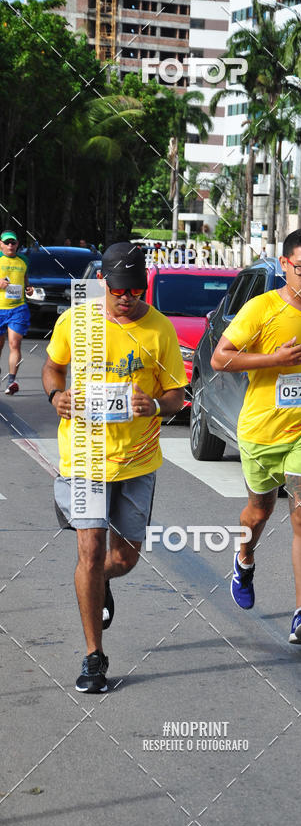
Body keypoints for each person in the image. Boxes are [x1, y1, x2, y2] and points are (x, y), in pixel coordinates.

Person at [42, 242, 187, 693]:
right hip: (84, 453)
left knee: (123, 557)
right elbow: (52, 367)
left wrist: (154, 405)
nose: (127, 298)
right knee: (88, 552)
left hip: (137, 459)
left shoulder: (159, 328)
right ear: (103, 281)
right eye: (120, 290)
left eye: (136, 290)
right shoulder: (77, 321)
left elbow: (176, 395)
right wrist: (55, 397)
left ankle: (99, 582)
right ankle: (93, 656)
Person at [211, 227, 301, 644]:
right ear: (285, 265)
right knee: (259, 512)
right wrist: (274, 358)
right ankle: (244, 558)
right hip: (262, 431)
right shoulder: (261, 309)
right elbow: (220, 358)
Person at [0, 230, 34, 394]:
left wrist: (29, 288)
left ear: (17, 244)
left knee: (14, 343)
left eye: (13, 242)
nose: (10, 245)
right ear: (1, 244)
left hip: (18, 308)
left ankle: (11, 382)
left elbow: (26, 279)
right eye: (7, 243)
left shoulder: (24, 260)